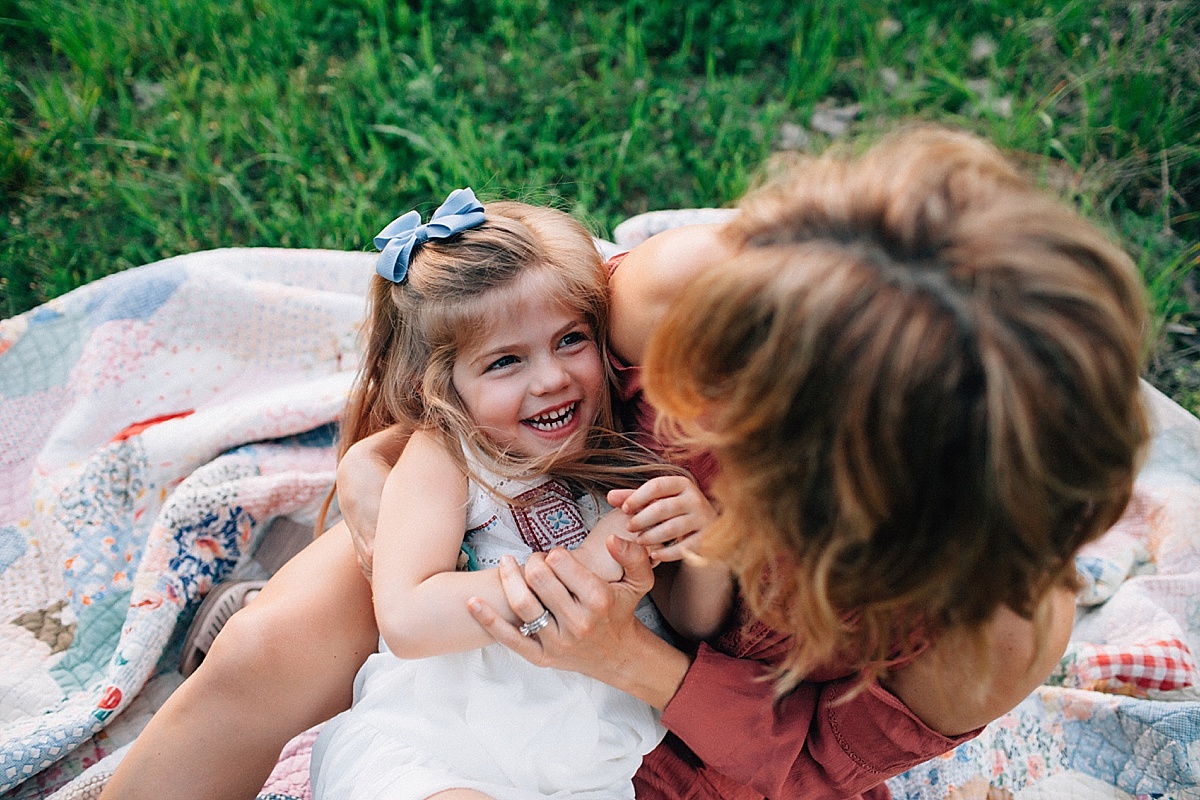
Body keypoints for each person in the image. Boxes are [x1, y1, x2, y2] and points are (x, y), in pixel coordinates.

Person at [100, 127, 1148, 800]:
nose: (722, 421)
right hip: (514, 541)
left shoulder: (995, 624)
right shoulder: (694, 286)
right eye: (741, 371)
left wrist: (624, 658)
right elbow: (484, 348)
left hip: (690, 736)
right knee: (260, 658)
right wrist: (379, 466)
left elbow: (809, 770)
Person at [301, 190, 730, 799]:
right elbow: (408, 617)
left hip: (586, 778)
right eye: (505, 362)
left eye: (570, 340)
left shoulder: (623, 468)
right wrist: (579, 572)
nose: (551, 378)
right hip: (433, 752)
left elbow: (690, 623)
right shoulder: (451, 458)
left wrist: (707, 548)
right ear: (443, 384)